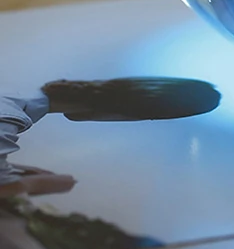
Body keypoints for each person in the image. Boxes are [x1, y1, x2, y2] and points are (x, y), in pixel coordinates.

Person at [0, 78, 221, 197]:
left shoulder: (14, 97)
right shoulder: (10, 118)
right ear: (124, 112)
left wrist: (14, 170)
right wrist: (39, 184)